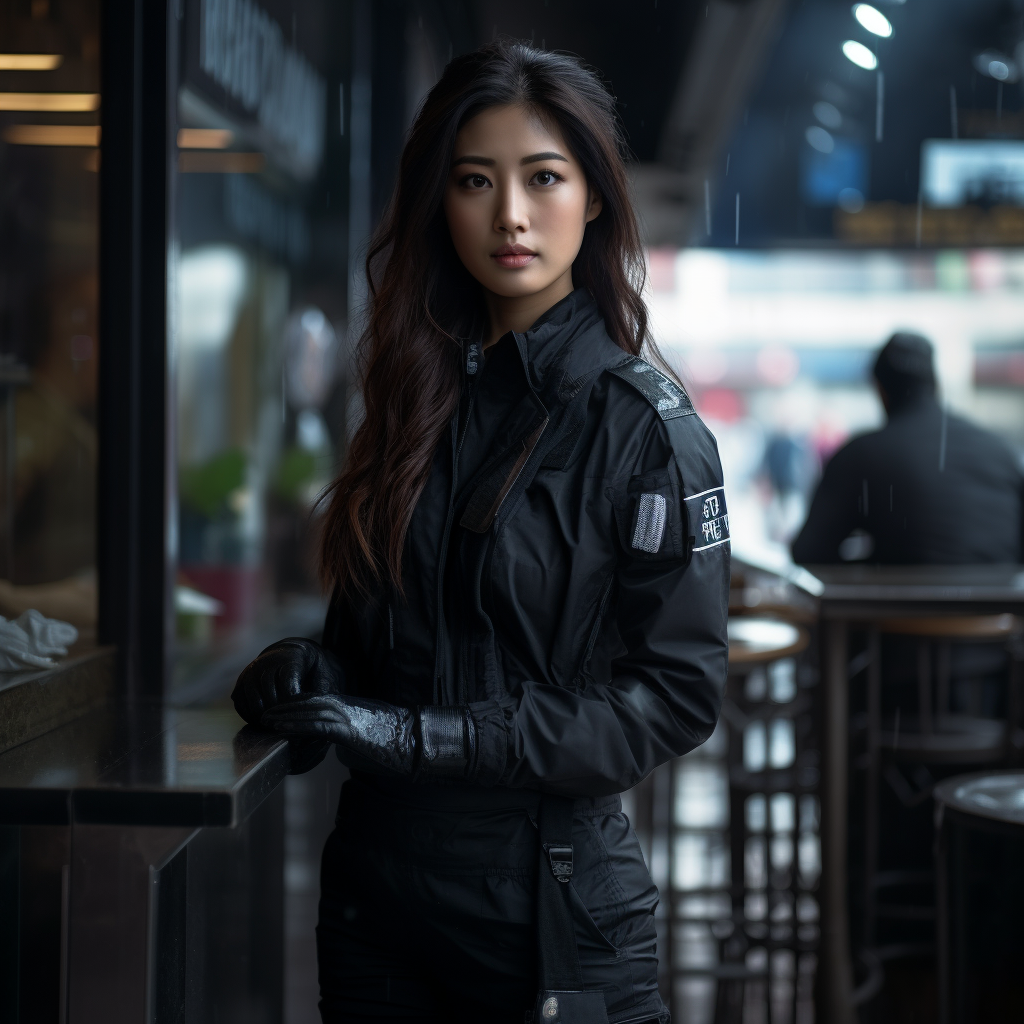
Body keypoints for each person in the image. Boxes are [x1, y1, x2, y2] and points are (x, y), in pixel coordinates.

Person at [232, 41, 730, 1024]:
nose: (508, 213)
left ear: (591, 198)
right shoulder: (413, 400)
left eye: (542, 178)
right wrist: (308, 673)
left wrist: (433, 736)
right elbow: (368, 648)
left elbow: (674, 697)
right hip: (375, 897)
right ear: (439, 204)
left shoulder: (644, 429)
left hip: (547, 908)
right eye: (473, 181)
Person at [791, 331, 1023, 565]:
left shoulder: (861, 456)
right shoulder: (1000, 453)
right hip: (1002, 600)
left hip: (899, 602)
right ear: (936, 384)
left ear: (880, 390)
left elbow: (808, 553)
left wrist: (868, 565)